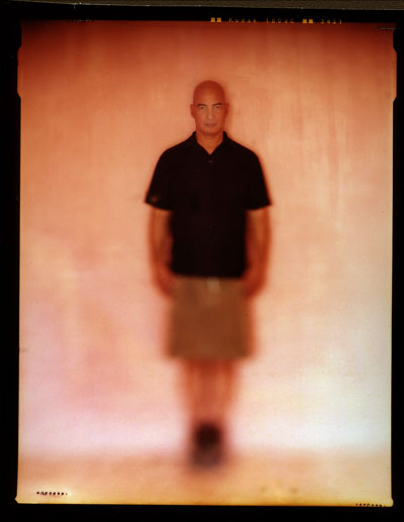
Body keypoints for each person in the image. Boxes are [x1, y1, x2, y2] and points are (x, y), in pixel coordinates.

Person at [145, 80, 271, 466]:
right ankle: (198, 430)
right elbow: (158, 219)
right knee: (194, 359)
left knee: (224, 359)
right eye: (203, 107)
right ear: (192, 111)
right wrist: (156, 264)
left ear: (226, 110)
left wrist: (260, 265)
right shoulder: (171, 160)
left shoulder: (247, 161)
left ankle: (216, 429)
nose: (210, 115)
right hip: (185, 275)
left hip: (232, 276)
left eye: (217, 107)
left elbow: (260, 220)